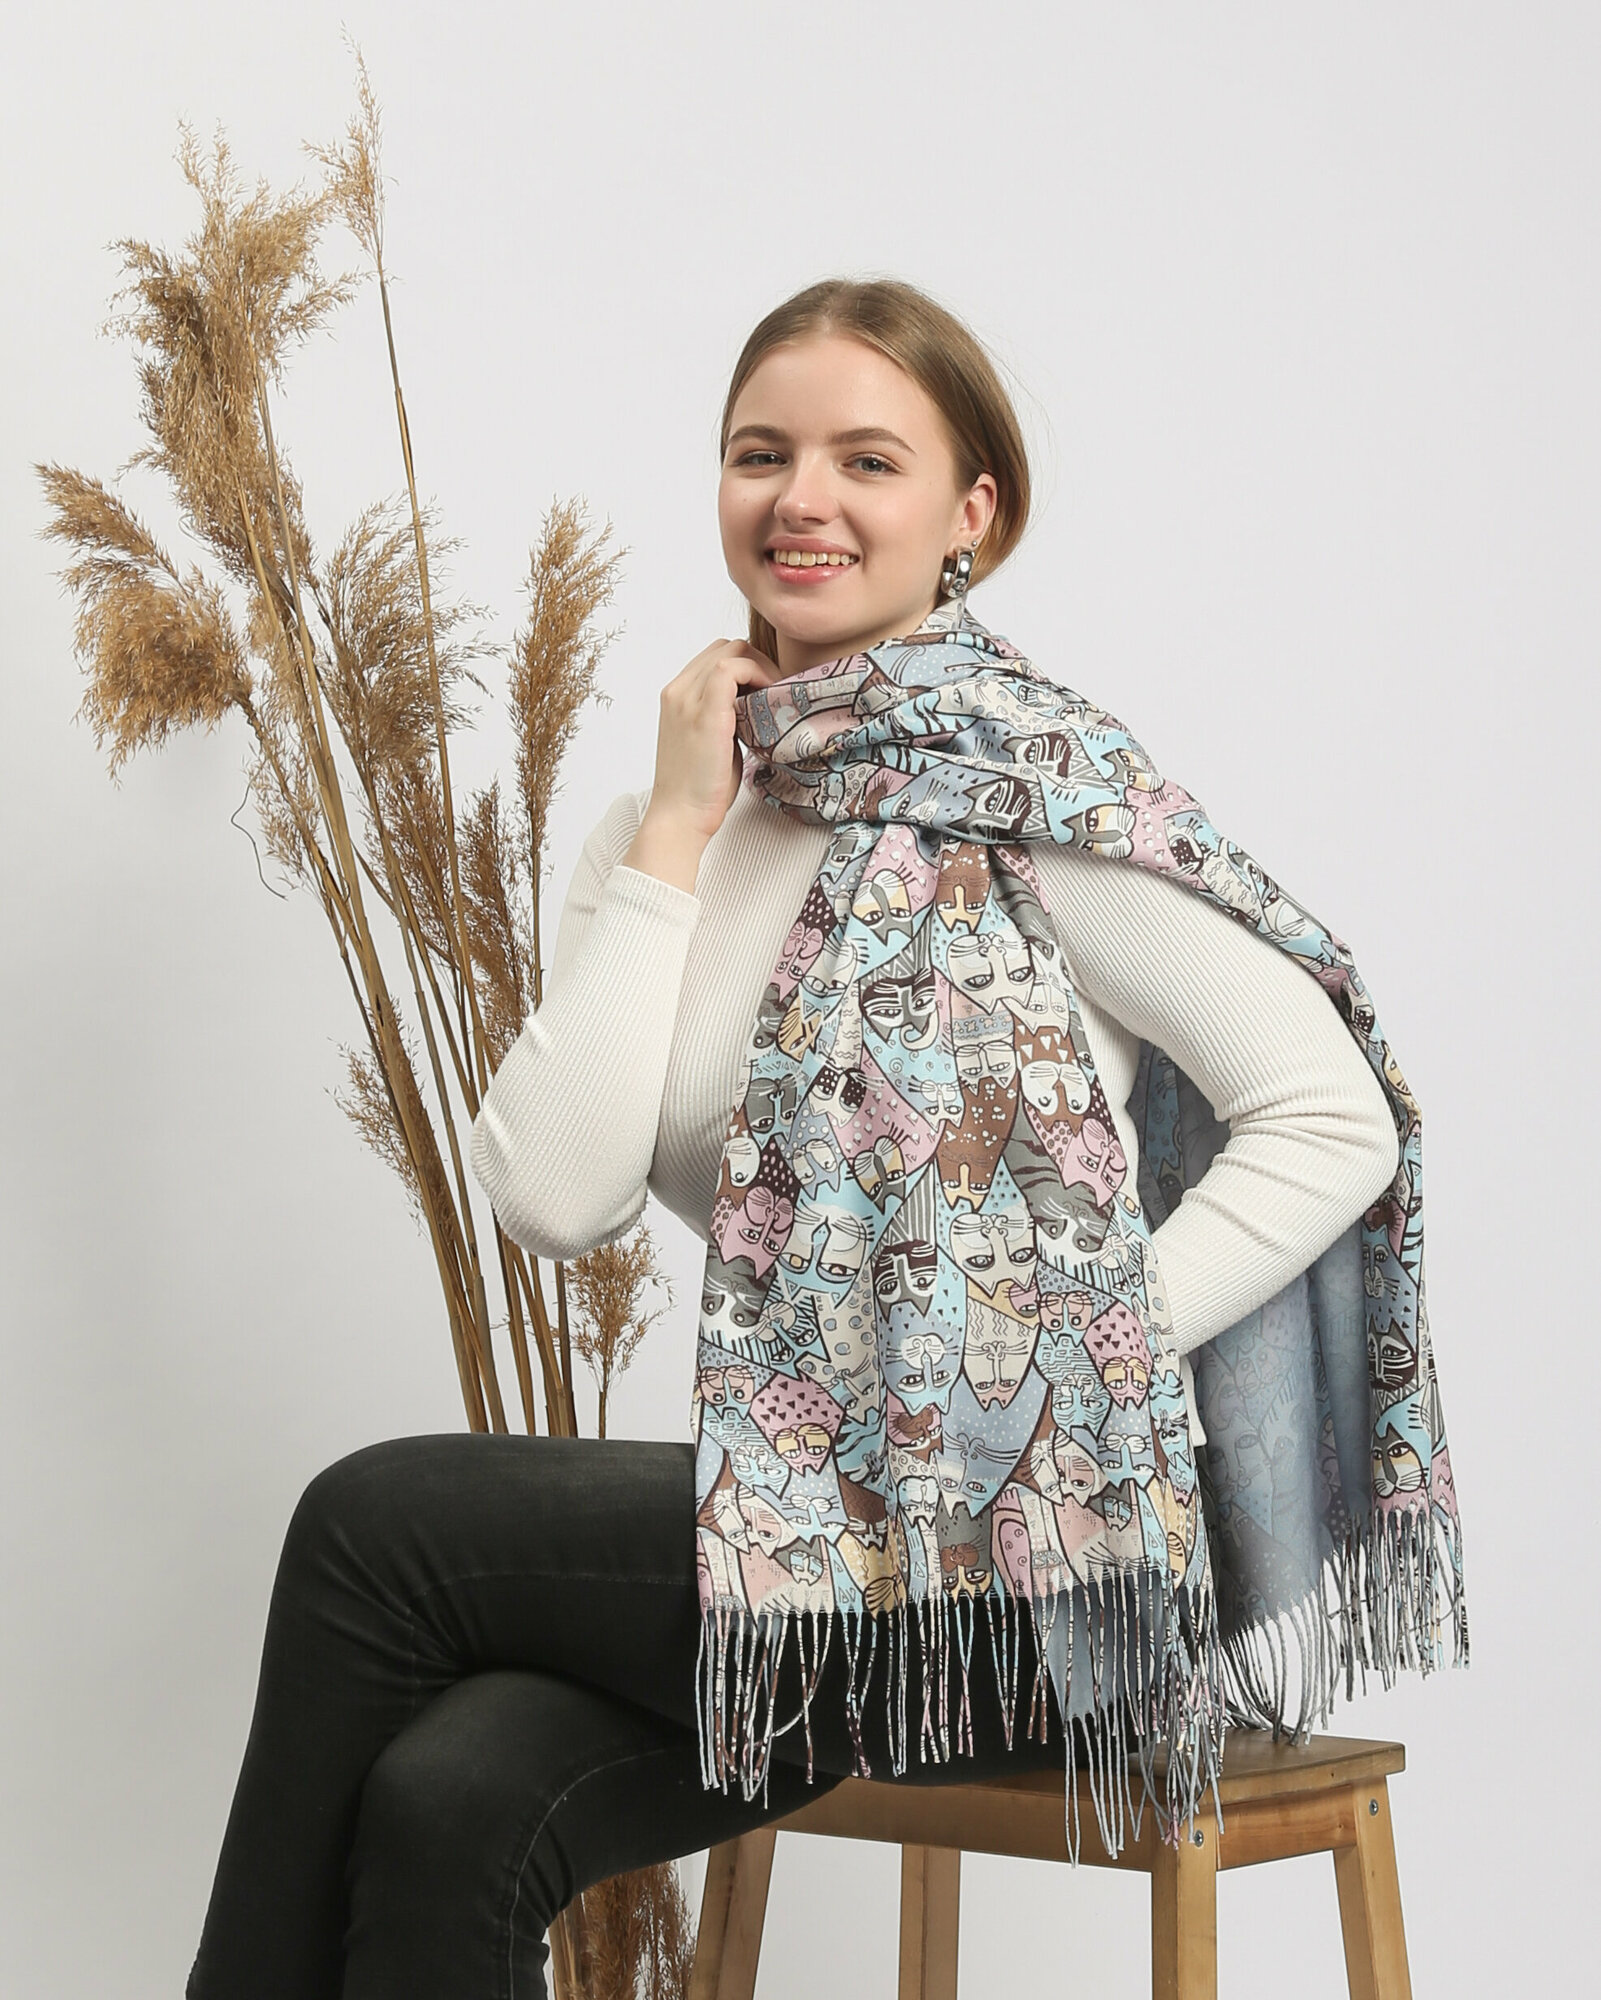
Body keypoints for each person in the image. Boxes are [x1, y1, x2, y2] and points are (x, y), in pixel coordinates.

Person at [186, 279, 1400, 2000]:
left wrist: (1072, 1357)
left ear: (971, 514)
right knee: (450, 1798)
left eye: (866, 460)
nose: (801, 498)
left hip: (1021, 1574)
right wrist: (677, 827)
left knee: (378, 1525)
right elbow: (551, 1195)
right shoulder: (668, 827)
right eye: (761, 454)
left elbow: (1329, 1115)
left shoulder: (1030, 797)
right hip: (802, 1552)